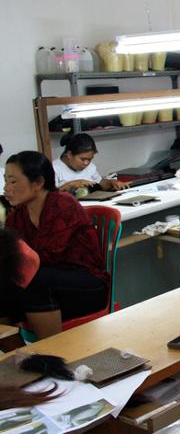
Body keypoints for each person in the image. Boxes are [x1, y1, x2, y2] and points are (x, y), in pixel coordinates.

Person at [3, 151, 107, 339]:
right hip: (49, 283)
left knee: (33, 279)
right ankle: (15, 356)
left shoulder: (62, 205)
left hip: (87, 284)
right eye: (5, 181)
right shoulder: (17, 216)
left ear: (38, 183)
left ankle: (49, 353)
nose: (6, 188)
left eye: (13, 181)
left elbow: (42, 257)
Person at [53, 133, 129, 192]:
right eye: (82, 159)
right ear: (69, 154)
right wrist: (70, 185)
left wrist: (112, 182)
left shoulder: (90, 167)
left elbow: (99, 183)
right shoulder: (54, 169)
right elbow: (50, 198)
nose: (86, 163)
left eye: (89, 159)